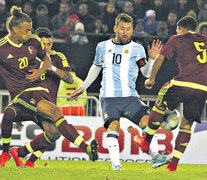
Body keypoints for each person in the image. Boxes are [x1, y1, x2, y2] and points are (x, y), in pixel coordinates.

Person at [70, 13, 172, 170]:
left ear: (132, 30)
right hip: (108, 97)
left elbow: (145, 73)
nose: (126, 32)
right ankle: (116, 165)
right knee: (114, 126)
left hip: (130, 97)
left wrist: (152, 60)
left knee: (147, 122)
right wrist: (82, 87)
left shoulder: (137, 49)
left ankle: (156, 157)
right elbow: (95, 68)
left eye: (129, 29)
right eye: (122, 29)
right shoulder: (102, 47)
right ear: (115, 28)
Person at [0, 6, 98, 167]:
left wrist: (42, 70)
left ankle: (20, 154)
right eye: (26, 30)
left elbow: (50, 62)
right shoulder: (2, 47)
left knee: (54, 132)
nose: (29, 34)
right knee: (10, 113)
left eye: (49, 43)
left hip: (42, 96)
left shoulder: (38, 46)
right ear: (14, 29)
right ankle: (86, 148)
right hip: (25, 94)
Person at [134, 16, 207, 172]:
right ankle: (172, 166)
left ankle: (146, 141)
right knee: (186, 125)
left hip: (183, 83)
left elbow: (161, 57)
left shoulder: (177, 38)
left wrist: (151, 79)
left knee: (160, 104)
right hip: (202, 88)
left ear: (181, 28)